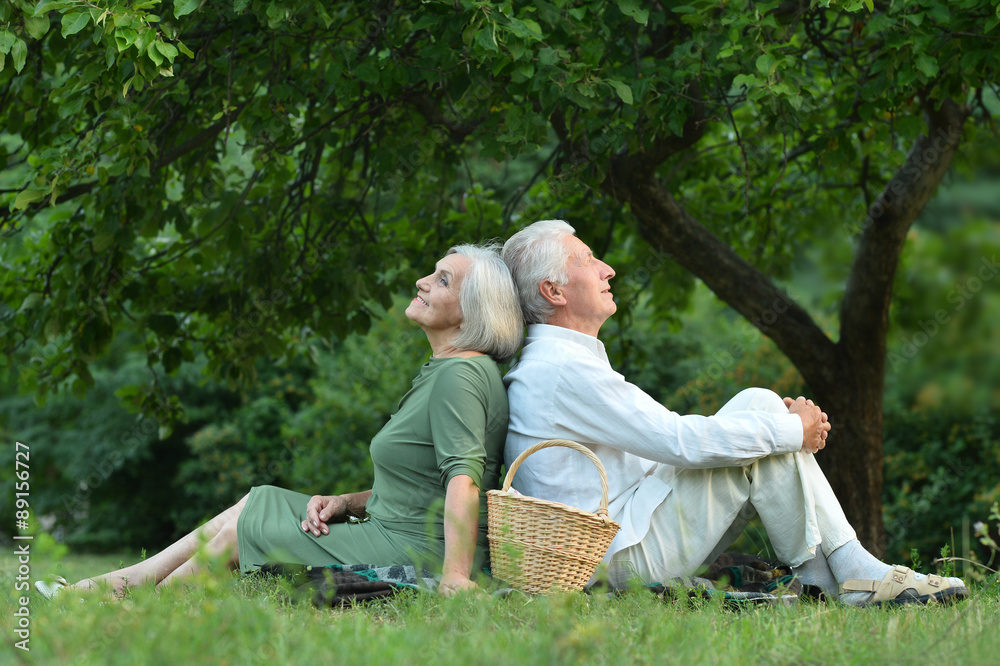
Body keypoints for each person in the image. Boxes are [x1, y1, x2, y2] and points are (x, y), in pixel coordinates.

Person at [500, 219, 968, 606]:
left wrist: (773, 430)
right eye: (586, 260)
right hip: (613, 559)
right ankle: (853, 575)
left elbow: (665, 448)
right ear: (553, 291)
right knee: (763, 417)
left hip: (622, 539)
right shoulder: (561, 369)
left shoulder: (564, 363)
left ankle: (841, 579)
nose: (608, 269)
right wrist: (789, 430)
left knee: (759, 411)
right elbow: (678, 443)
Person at [36, 242, 523, 599]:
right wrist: (345, 501)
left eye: (442, 280)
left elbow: (465, 479)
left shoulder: (461, 374)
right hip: (396, 528)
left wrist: (456, 577)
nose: (422, 281)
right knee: (260, 499)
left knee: (241, 531)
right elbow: (424, 484)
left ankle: (141, 610)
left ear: (473, 310)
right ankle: (115, 585)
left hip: (414, 552)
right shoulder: (450, 370)